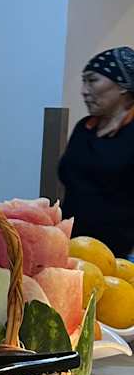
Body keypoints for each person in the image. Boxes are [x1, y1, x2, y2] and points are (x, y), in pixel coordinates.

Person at [59, 47, 134, 258]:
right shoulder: (84, 128)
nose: (84, 90)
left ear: (122, 85)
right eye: (84, 81)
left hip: (117, 257)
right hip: (71, 247)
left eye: (92, 80)